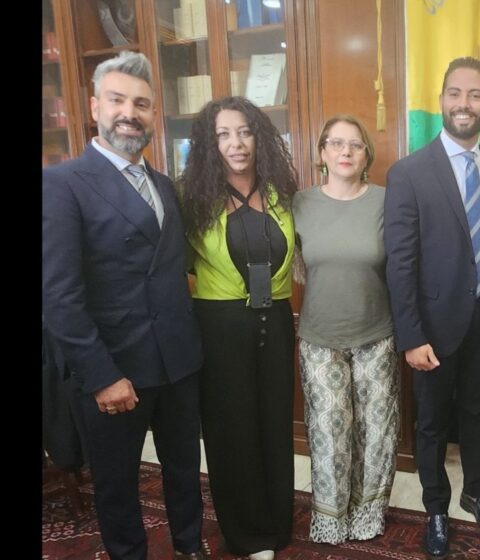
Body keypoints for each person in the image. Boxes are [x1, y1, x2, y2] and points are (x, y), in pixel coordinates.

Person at [42, 51, 205, 560]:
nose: (129, 113)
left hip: (177, 363)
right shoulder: (62, 184)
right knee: (117, 483)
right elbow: (59, 296)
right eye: (117, 100)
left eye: (141, 104)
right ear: (95, 107)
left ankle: (189, 546)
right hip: (114, 370)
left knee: (185, 470)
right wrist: (102, 376)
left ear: (154, 114)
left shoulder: (164, 186)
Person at [384, 56, 480, 559]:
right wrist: (411, 335)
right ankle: (436, 508)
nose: (465, 103)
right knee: (434, 421)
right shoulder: (409, 173)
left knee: (478, 410)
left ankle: (475, 492)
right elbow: (400, 263)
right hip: (433, 324)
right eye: (455, 93)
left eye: (475, 95)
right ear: (441, 100)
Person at [179, 96, 299, 560]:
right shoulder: (193, 200)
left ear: (259, 137)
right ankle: (247, 534)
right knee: (233, 430)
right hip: (220, 327)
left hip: (276, 323)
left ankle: (276, 523)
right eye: (224, 134)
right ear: (210, 144)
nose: (236, 143)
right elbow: (179, 267)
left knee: (274, 425)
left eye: (245, 131)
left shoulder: (281, 194)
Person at [292, 114, 399, 544]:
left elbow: (401, 265)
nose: (345, 152)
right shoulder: (299, 203)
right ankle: (332, 517)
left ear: (366, 155)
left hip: (376, 335)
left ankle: (368, 513)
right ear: (322, 152)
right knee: (329, 435)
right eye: (336, 143)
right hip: (320, 338)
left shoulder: (386, 201)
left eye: (355, 144)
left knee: (377, 434)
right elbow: (295, 267)